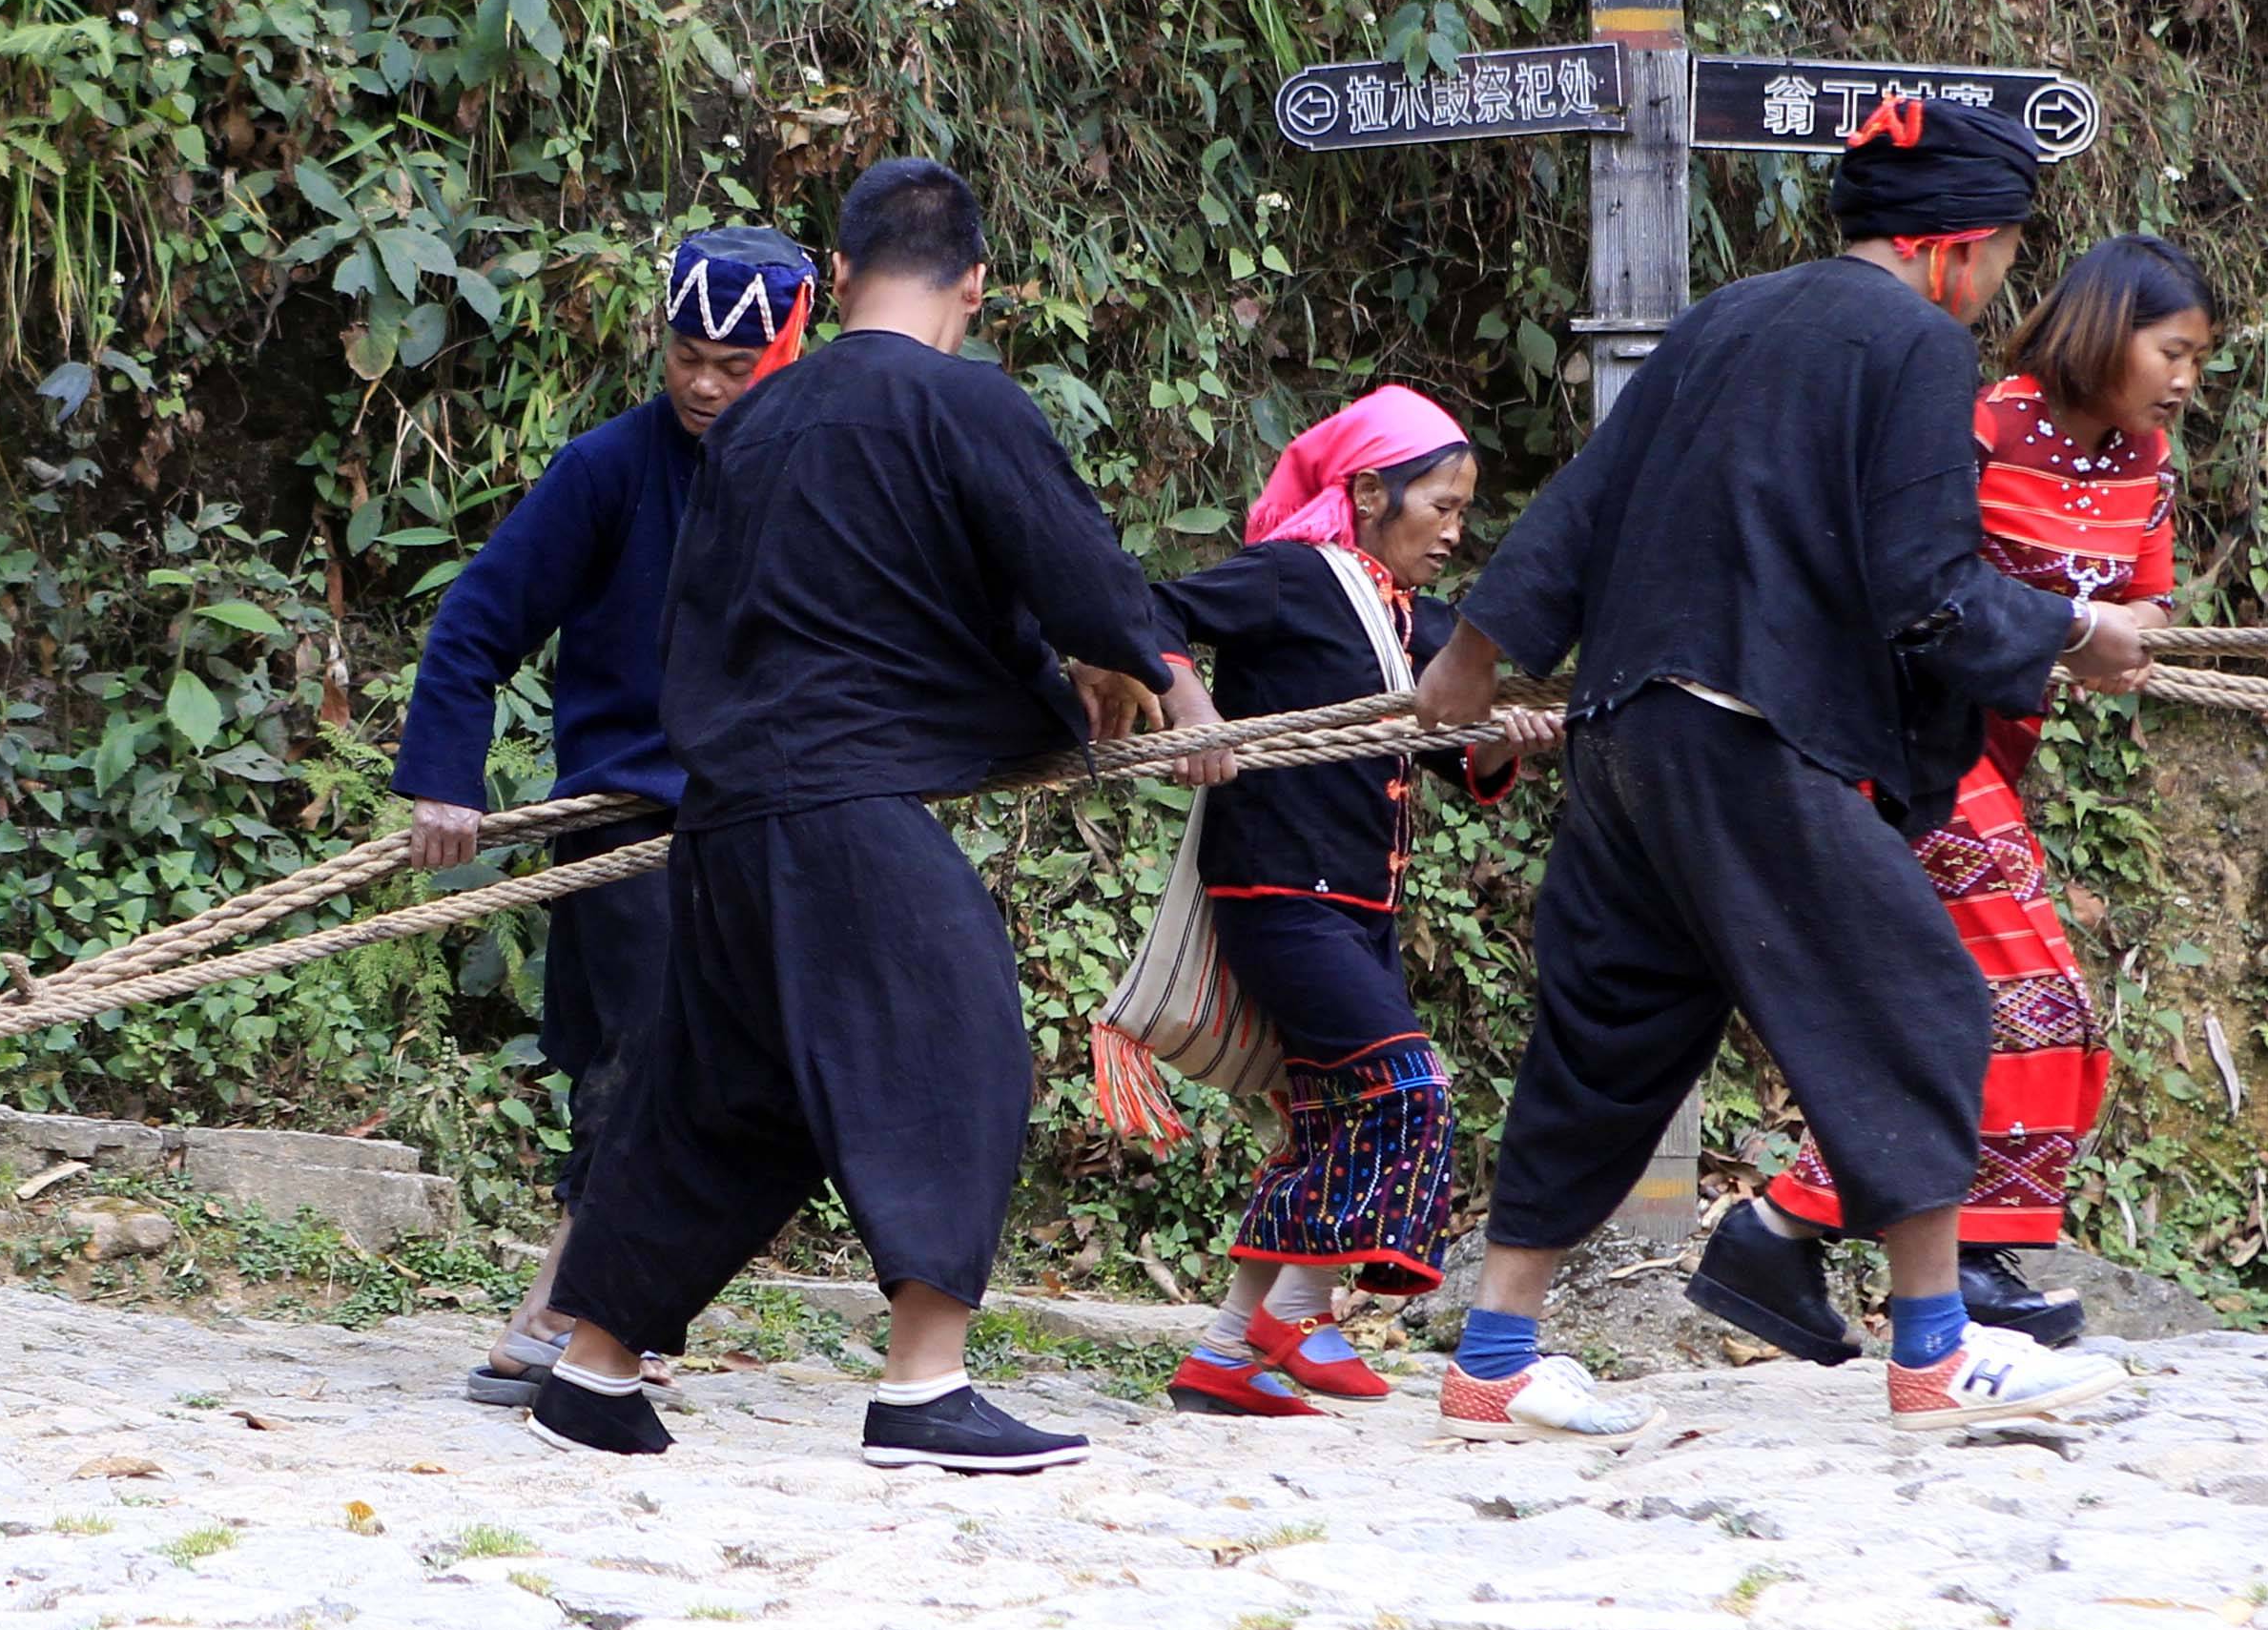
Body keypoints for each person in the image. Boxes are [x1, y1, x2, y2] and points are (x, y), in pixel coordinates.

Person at [1415, 95, 2152, 1439]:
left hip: (1625, 729)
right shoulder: (1914, 345)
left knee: (1610, 1033)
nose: (1992, 295)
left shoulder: (1721, 319)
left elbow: (1583, 502)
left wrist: (1468, 661)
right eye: (1996, 263)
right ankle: (1935, 1347)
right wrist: (2069, 630)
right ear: (1956, 247)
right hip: (1752, 732)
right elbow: (1923, 591)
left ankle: (1496, 1351)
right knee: (1919, 993)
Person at [531, 158, 1226, 1473]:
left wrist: (1057, 693)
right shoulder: (955, 400)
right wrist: (1165, 676)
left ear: (835, 278)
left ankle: (593, 1363)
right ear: (972, 284)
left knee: (729, 1096)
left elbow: (878, 606)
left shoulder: (751, 426)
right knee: (952, 1039)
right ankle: (921, 1387)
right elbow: (1061, 558)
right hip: (832, 804)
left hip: (726, 814)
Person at [1696, 234, 2220, 1362]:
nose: (2183, 378)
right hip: (1902, 746)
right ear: (2103, 327)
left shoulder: (2148, 459)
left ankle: (1782, 1228)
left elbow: (2147, 604)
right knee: (2029, 999)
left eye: (2195, 360)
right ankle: (1955, 1262)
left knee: (2014, 1019)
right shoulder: (1980, 424)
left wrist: (2123, 640)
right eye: (2170, 349)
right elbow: (1909, 574)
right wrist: (2067, 634)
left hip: (1994, 759)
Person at [393, 227, 819, 1408]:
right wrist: (446, 780)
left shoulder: (821, 474)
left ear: (788, 353)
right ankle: (564, 1308)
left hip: (775, 824)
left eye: (736, 367)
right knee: (640, 1064)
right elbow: (477, 622)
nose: (703, 384)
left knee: (752, 1073)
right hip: (631, 822)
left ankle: (612, 1310)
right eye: (687, 355)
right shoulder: (608, 469)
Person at [1135, 388, 1551, 1420]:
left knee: (1330, 1120)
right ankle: (1292, 1318)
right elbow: (1149, 610)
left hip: (1361, 908)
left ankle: (1233, 1351)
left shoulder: (1430, 627)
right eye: (1439, 508)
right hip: (1279, 894)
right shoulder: (1289, 581)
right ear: (1368, 494)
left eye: (1462, 512)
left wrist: (1503, 736)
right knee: (1406, 1090)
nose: (1454, 533)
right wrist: (1190, 706)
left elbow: (1459, 757)